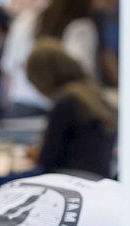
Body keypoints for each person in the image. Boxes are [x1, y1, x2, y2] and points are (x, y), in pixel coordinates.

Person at [26, 38, 117, 179]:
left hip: (70, 179)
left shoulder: (67, 101)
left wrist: (36, 154)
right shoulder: (94, 95)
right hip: (98, 179)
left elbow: (48, 158)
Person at [0, 0, 98, 116]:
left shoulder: (24, 21)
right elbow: (82, 75)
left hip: (21, 106)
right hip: (61, 109)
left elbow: (8, 72)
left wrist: (7, 107)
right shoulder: (81, 28)